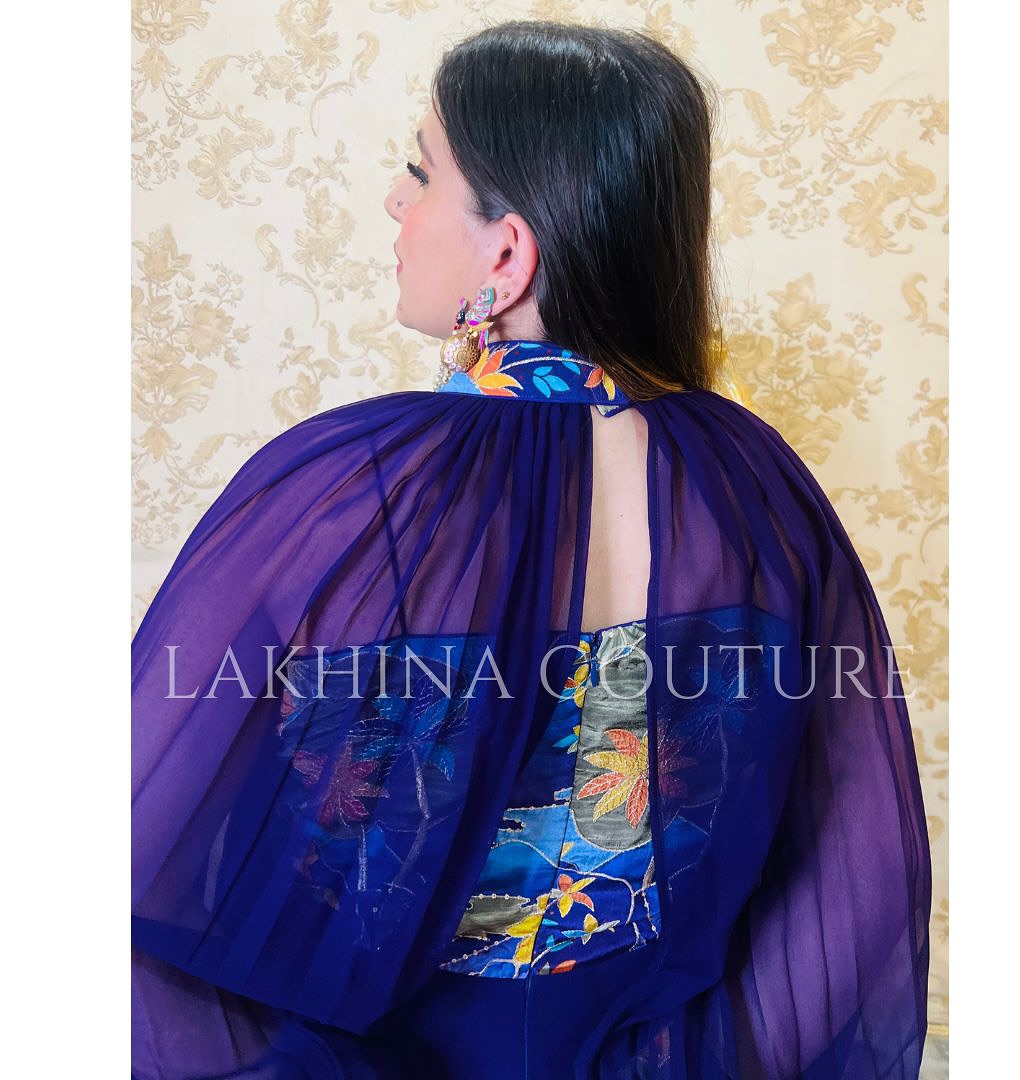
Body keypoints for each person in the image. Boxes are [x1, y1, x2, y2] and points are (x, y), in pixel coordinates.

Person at [131, 20, 931, 1080]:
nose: (396, 202)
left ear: (506, 255)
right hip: (651, 1048)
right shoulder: (758, 482)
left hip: (381, 1051)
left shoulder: (346, 486)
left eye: (421, 171)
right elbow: (841, 847)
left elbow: (159, 816)